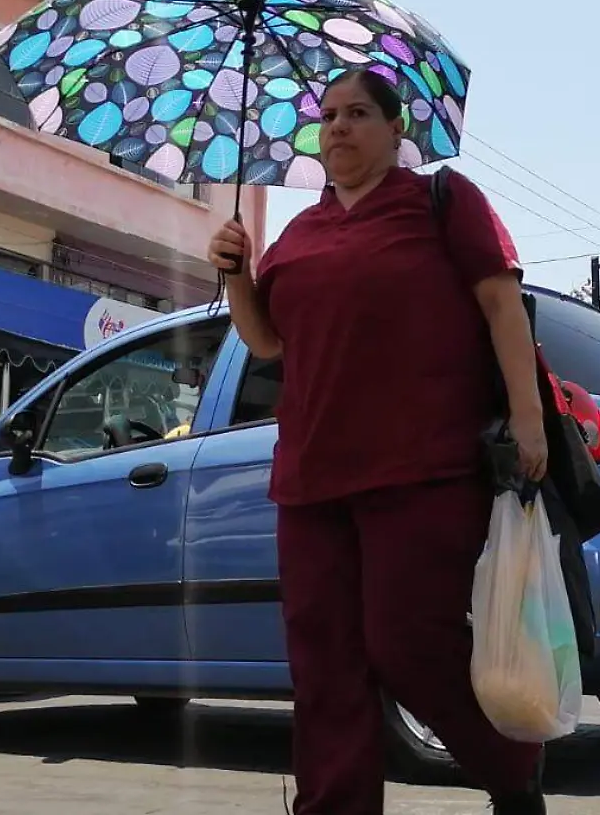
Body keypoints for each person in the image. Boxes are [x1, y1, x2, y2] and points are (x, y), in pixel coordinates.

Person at [207, 68, 549, 815]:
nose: (338, 128)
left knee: (408, 647)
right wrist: (237, 274)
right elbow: (266, 343)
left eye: (358, 113)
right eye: (327, 116)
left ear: (398, 131)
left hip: (422, 468)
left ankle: (511, 771)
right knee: (325, 667)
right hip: (309, 479)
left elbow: (501, 304)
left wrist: (528, 416)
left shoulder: (441, 199)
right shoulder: (300, 231)